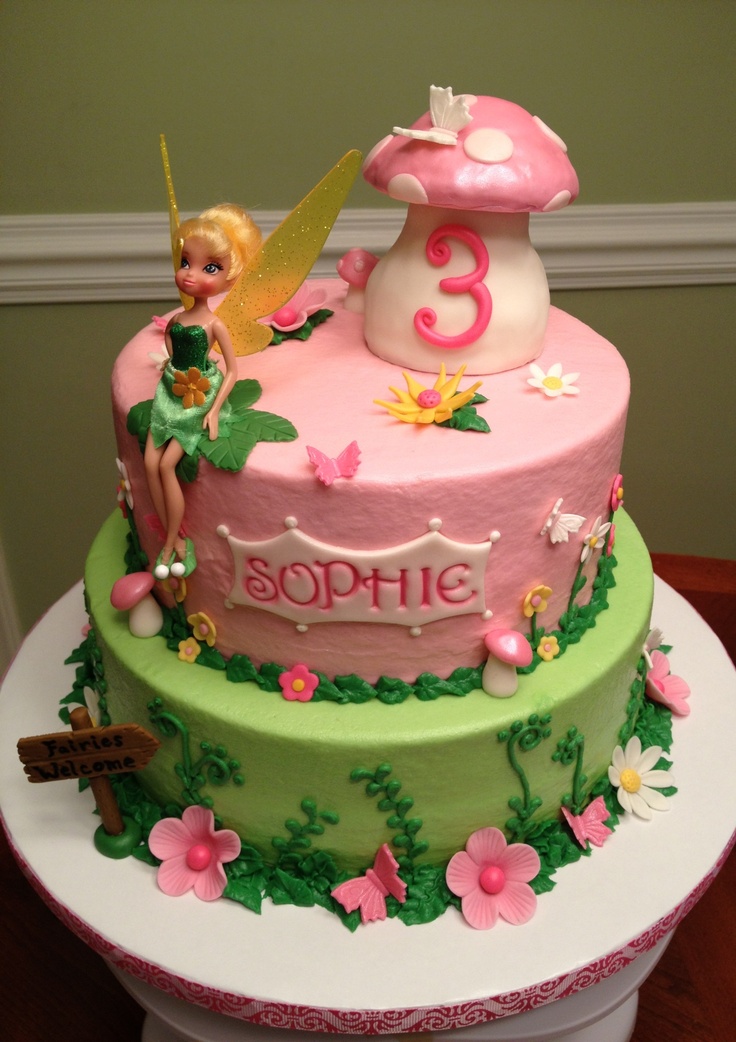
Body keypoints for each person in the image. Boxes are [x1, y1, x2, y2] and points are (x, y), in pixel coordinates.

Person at [144, 204, 262, 579]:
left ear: (229, 277)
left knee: (167, 465)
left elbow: (233, 370)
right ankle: (171, 537)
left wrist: (213, 410)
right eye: (186, 262)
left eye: (210, 268)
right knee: (149, 465)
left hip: (197, 397)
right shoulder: (178, 320)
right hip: (171, 392)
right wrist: (170, 366)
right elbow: (170, 344)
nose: (191, 274)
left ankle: (172, 543)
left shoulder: (214, 324)